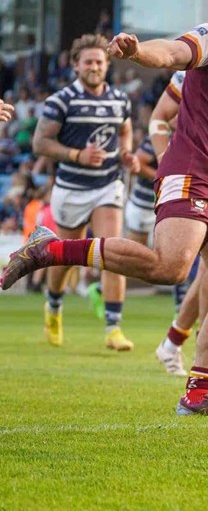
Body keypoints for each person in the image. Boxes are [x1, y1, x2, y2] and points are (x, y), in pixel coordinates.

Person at [1, 0, 208, 416]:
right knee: (170, 267)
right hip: (190, 171)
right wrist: (138, 52)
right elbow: (172, 51)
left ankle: (198, 395)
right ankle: (49, 250)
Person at [123, 4, 208, 377]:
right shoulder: (203, 61)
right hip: (196, 173)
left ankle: (178, 345)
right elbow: (160, 117)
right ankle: (184, 348)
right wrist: (168, 163)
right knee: (193, 270)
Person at [29, 34, 138, 350]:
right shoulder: (61, 100)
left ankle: (113, 328)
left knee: (113, 251)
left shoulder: (119, 99)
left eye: (100, 61)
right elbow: (40, 143)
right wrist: (78, 155)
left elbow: (125, 129)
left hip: (107, 184)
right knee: (65, 257)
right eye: (88, 61)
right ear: (76, 65)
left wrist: (127, 152)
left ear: (107, 64)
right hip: (72, 188)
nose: (94, 67)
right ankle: (53, 304)